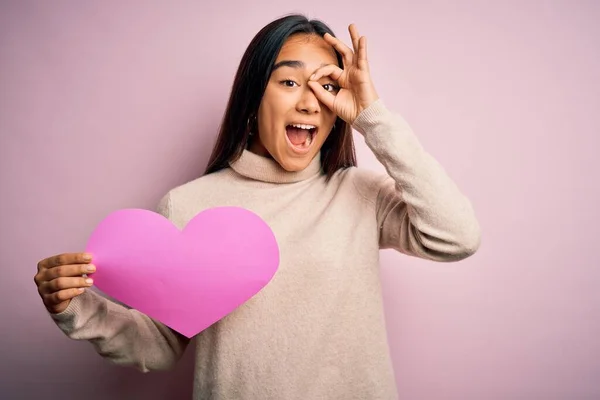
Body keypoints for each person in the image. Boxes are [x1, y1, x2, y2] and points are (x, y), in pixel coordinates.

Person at [34, 14, 481, 400]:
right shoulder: (188, 205)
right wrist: (76, 309)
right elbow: (161, 345)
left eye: (325, 85)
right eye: (288, 82)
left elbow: (457, 236)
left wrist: (372, 115)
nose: (309, 101)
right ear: (253, 99)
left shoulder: (360, 194)